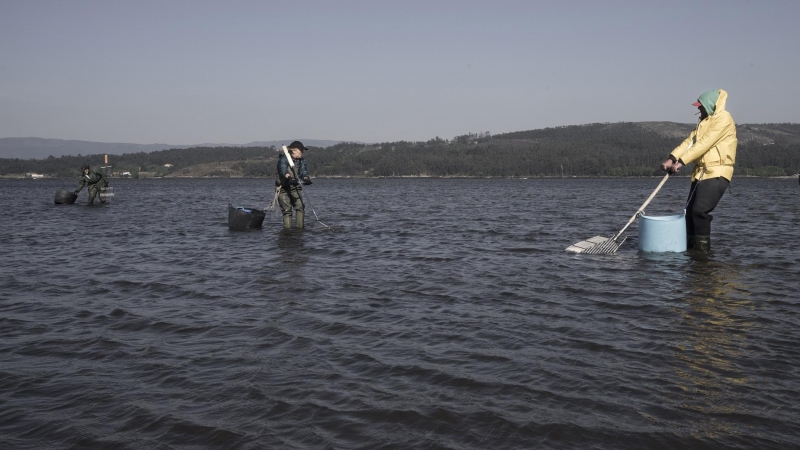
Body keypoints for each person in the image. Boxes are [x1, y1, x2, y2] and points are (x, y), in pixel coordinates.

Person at [661, 89, 737, 252]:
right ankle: (691, 253)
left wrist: (681, 162)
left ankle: (703, 256)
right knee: (689, 215)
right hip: (701, 173)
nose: (698, 109)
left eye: (700, 106)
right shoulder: (704, 122)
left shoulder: (724, 119)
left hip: (717, 172)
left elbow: (705, 143)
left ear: (710, 105)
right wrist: (672, 158)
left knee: (699, 212)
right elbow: (689, 142)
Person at [276, 141, 312, 229]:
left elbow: (303, 170)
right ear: (294, 150)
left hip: (295, 187)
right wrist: (288, 177)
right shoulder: (283, 159)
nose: (302, 153)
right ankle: (287, 231)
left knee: (300, 207)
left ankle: (300, 229)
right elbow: (283, 168)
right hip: (283, 188)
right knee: (287, 210)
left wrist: (306, 178)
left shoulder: (301, 161)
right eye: (301, 151)